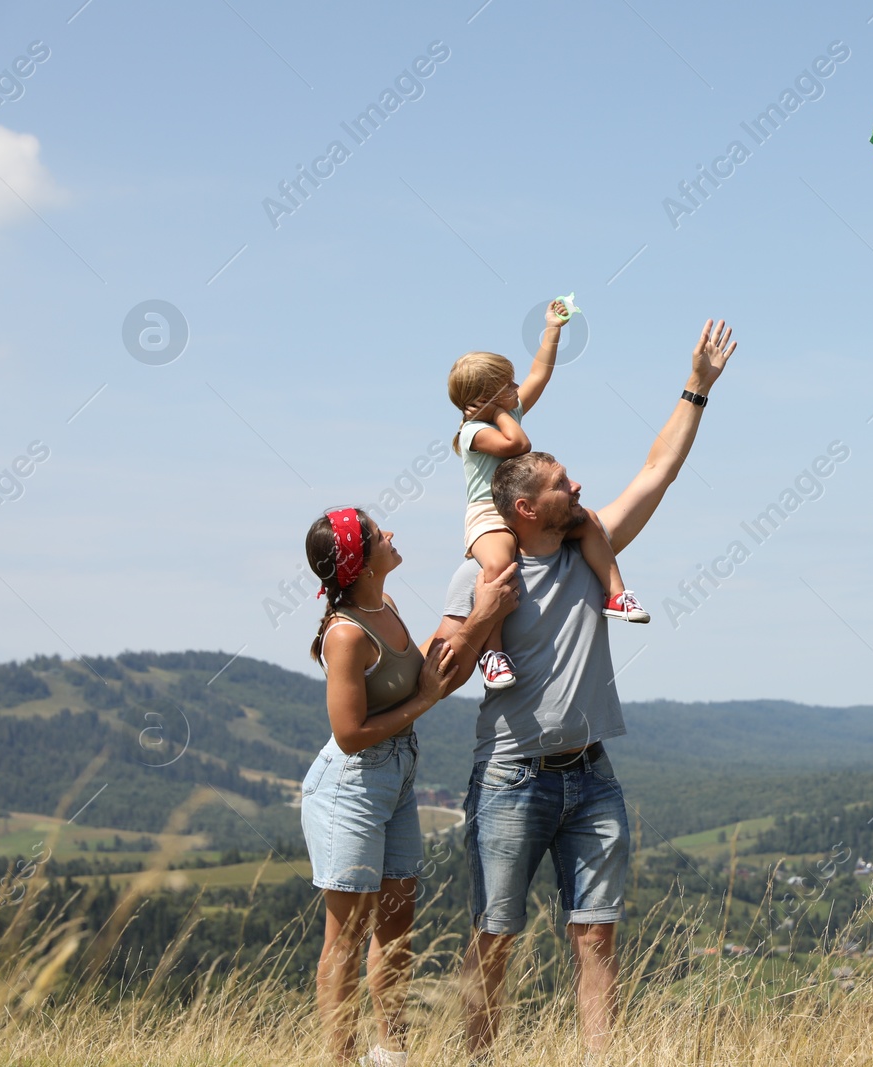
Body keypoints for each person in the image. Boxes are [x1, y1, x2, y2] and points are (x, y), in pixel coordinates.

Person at [429, 318, 739, 1056]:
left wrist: (698, 385)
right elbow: (439, 672)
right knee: (495, 937)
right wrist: (483, 621)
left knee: (597, 937)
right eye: (563, 484)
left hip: (593, 777)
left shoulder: (589, 556)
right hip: (509, 778)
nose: (579, 488)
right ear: (525, 508)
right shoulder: (476, 576)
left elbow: (656, 471)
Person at [300, 506, 517, 1066]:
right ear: (359, 559)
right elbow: (349, 734)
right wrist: (423, 702)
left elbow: (427, 669)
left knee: (397, 925)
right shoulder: (346, 634)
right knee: (345, 937)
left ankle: (391, 1053)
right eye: (377, 534)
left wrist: (480, 614)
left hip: (396, 778)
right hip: (351, 784)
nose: (390, 533)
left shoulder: (385, 606)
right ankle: (342, 1059)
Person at [446, 297, 649, 692]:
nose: (518, 388)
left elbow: (541, 374)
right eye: (508, 385)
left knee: (587, 521)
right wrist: (502, 410)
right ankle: (493, 653)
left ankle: (616, 595)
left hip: (521, 509)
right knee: (499, 568)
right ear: (487, 396)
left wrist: (552, 329)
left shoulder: (505, 409)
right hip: (489, 515)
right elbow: (517, 445)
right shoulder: (471, 431)